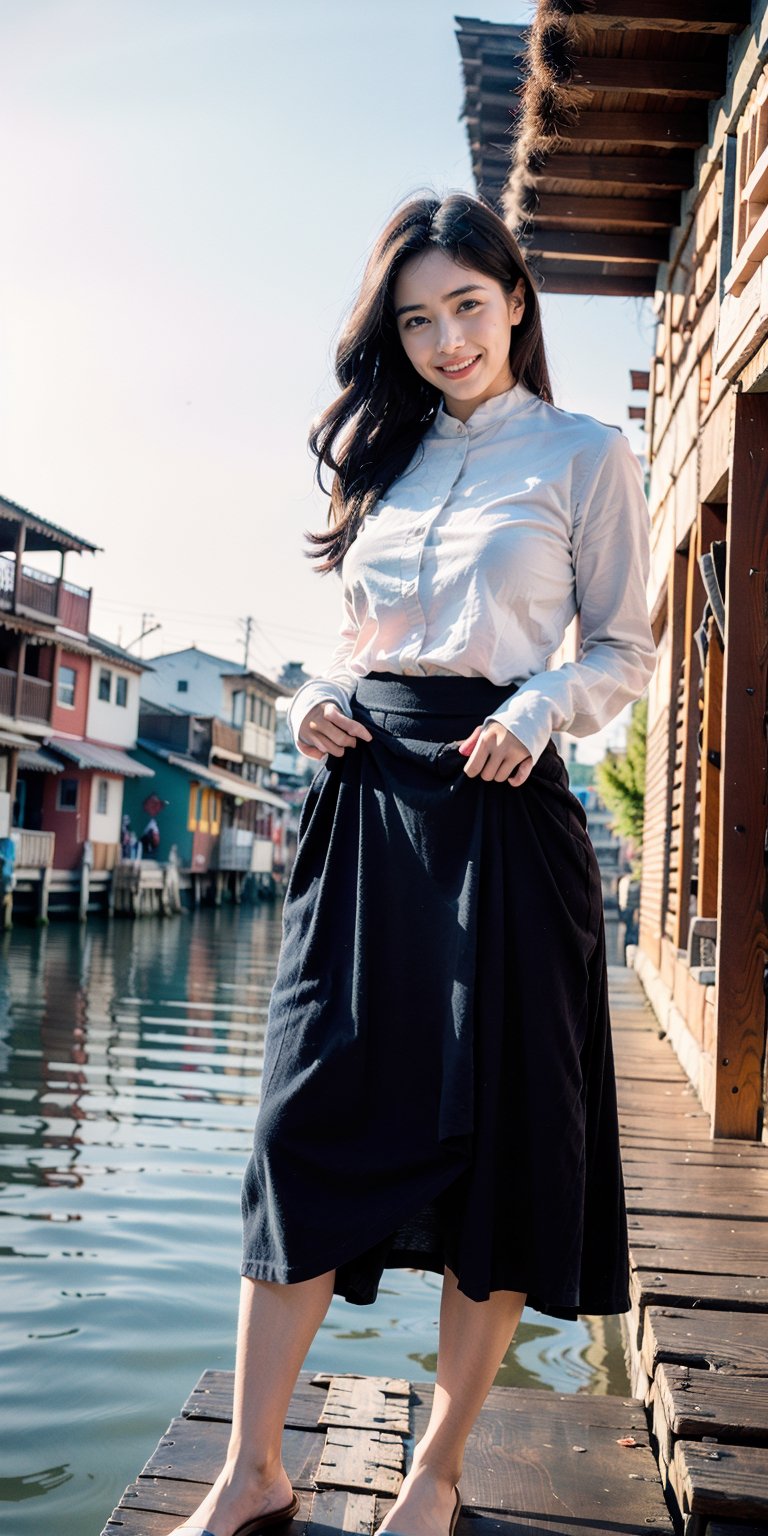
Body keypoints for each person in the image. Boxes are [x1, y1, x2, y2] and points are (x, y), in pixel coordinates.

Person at [170, 192, 657, 1536]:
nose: (446, 339)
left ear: (516, 301)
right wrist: (314, 698)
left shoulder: (584, 454)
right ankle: (252, 1469)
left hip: (506, 810)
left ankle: (437, 1470)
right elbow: (353, 638)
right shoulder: (377, 462)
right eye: (417, 317)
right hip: (365, 804)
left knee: (502, 1141)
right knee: (300, 1124)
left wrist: (541, 702)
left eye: (467, 308)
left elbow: (624, 647)